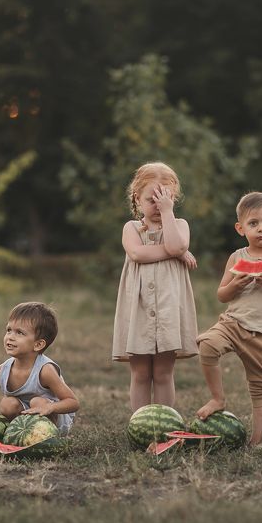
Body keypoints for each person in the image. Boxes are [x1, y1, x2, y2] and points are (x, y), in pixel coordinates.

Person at [195, 191, 262, 446]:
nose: (261, 228)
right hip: (233, 324)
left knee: (260, 389)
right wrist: (235, 284)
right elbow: (222, 294)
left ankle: (257, 442)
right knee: (207, 346)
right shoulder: (236, 258)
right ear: (240, 228)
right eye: (253, 224)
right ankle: (217, 398)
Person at [112, 161, 199, 412]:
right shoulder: (131, 228)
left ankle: (165, 424)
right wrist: (176, 252)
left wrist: (169, 214)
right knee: (140, 372)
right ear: (137, 198)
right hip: (138, 307)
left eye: (166, 200)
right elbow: (138, 254)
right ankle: (140, 422)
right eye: (153, 200)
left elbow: (176, 243)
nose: (159, 206)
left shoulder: (179, 225)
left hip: (168, 308)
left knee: (163, 372)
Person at [0, 302, 79, 434]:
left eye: (19, 333)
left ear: (38, 344)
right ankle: (17, 434)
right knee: (7, 404)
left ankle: (42, 438)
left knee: (37, 401)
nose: (10, 336)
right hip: (24, 420)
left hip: (53, 421)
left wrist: (49, 408)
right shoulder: (2, 370)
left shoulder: (45, 370)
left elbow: (73, 403)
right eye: (9, 330)